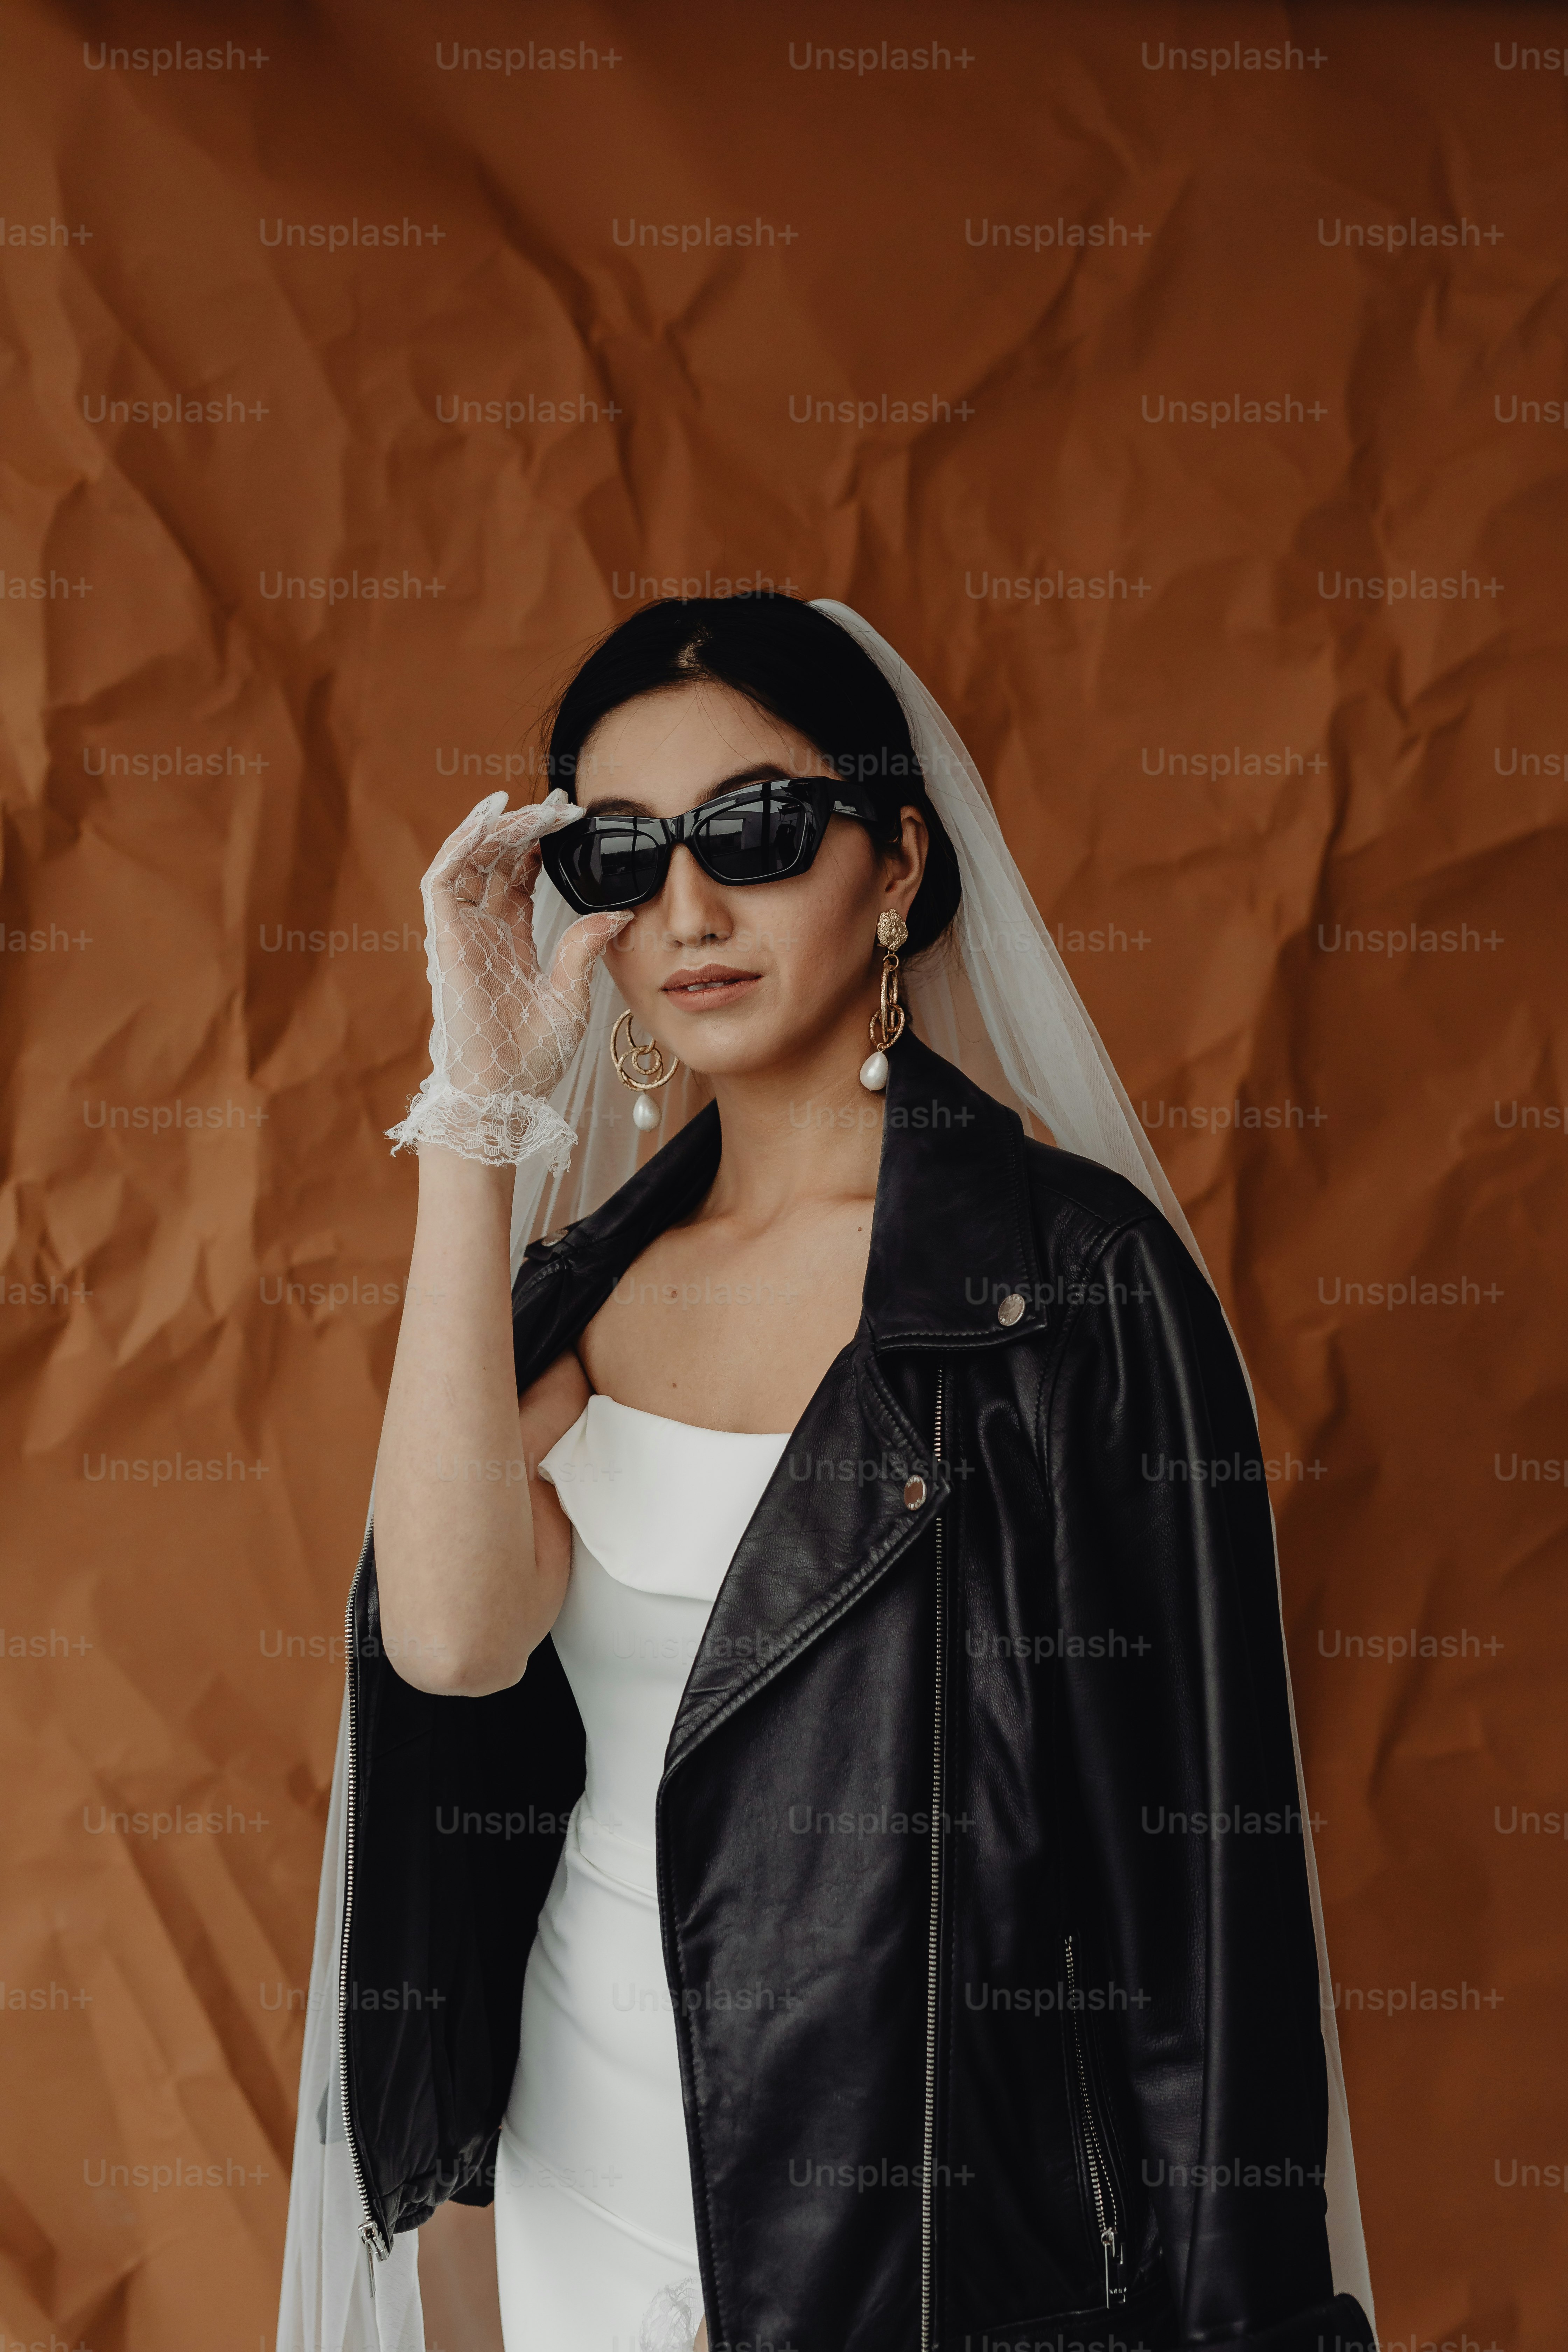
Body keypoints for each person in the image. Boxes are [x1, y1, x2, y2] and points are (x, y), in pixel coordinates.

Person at [277, 594, 1377, 2352]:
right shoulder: (576, 1291)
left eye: (759, 833)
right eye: (628, 857)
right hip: (578, 2154)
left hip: (926, 2229)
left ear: (894, 864)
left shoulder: (1072, 1289)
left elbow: (1207, 1905)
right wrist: (474, 1123)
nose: (690, 910)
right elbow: (454, 1643)